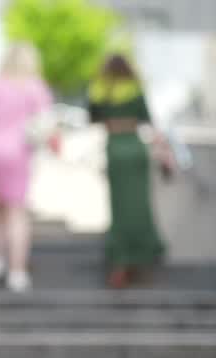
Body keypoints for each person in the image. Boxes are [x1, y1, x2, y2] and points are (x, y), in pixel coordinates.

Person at [0, 42, 54, 293]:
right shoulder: (34, 87)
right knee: (18, 211)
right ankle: (17, 271)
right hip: (19, 152)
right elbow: (45, 121)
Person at [88, 53, 171, 289]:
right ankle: (141, 254)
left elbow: (93, 118)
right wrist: (164, 151)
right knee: (140, 205)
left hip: (115, 147)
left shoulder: (100, 90)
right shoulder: (135, 90)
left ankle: (122, 261)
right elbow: (149, 122)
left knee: (120, 206)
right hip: (135, 148)